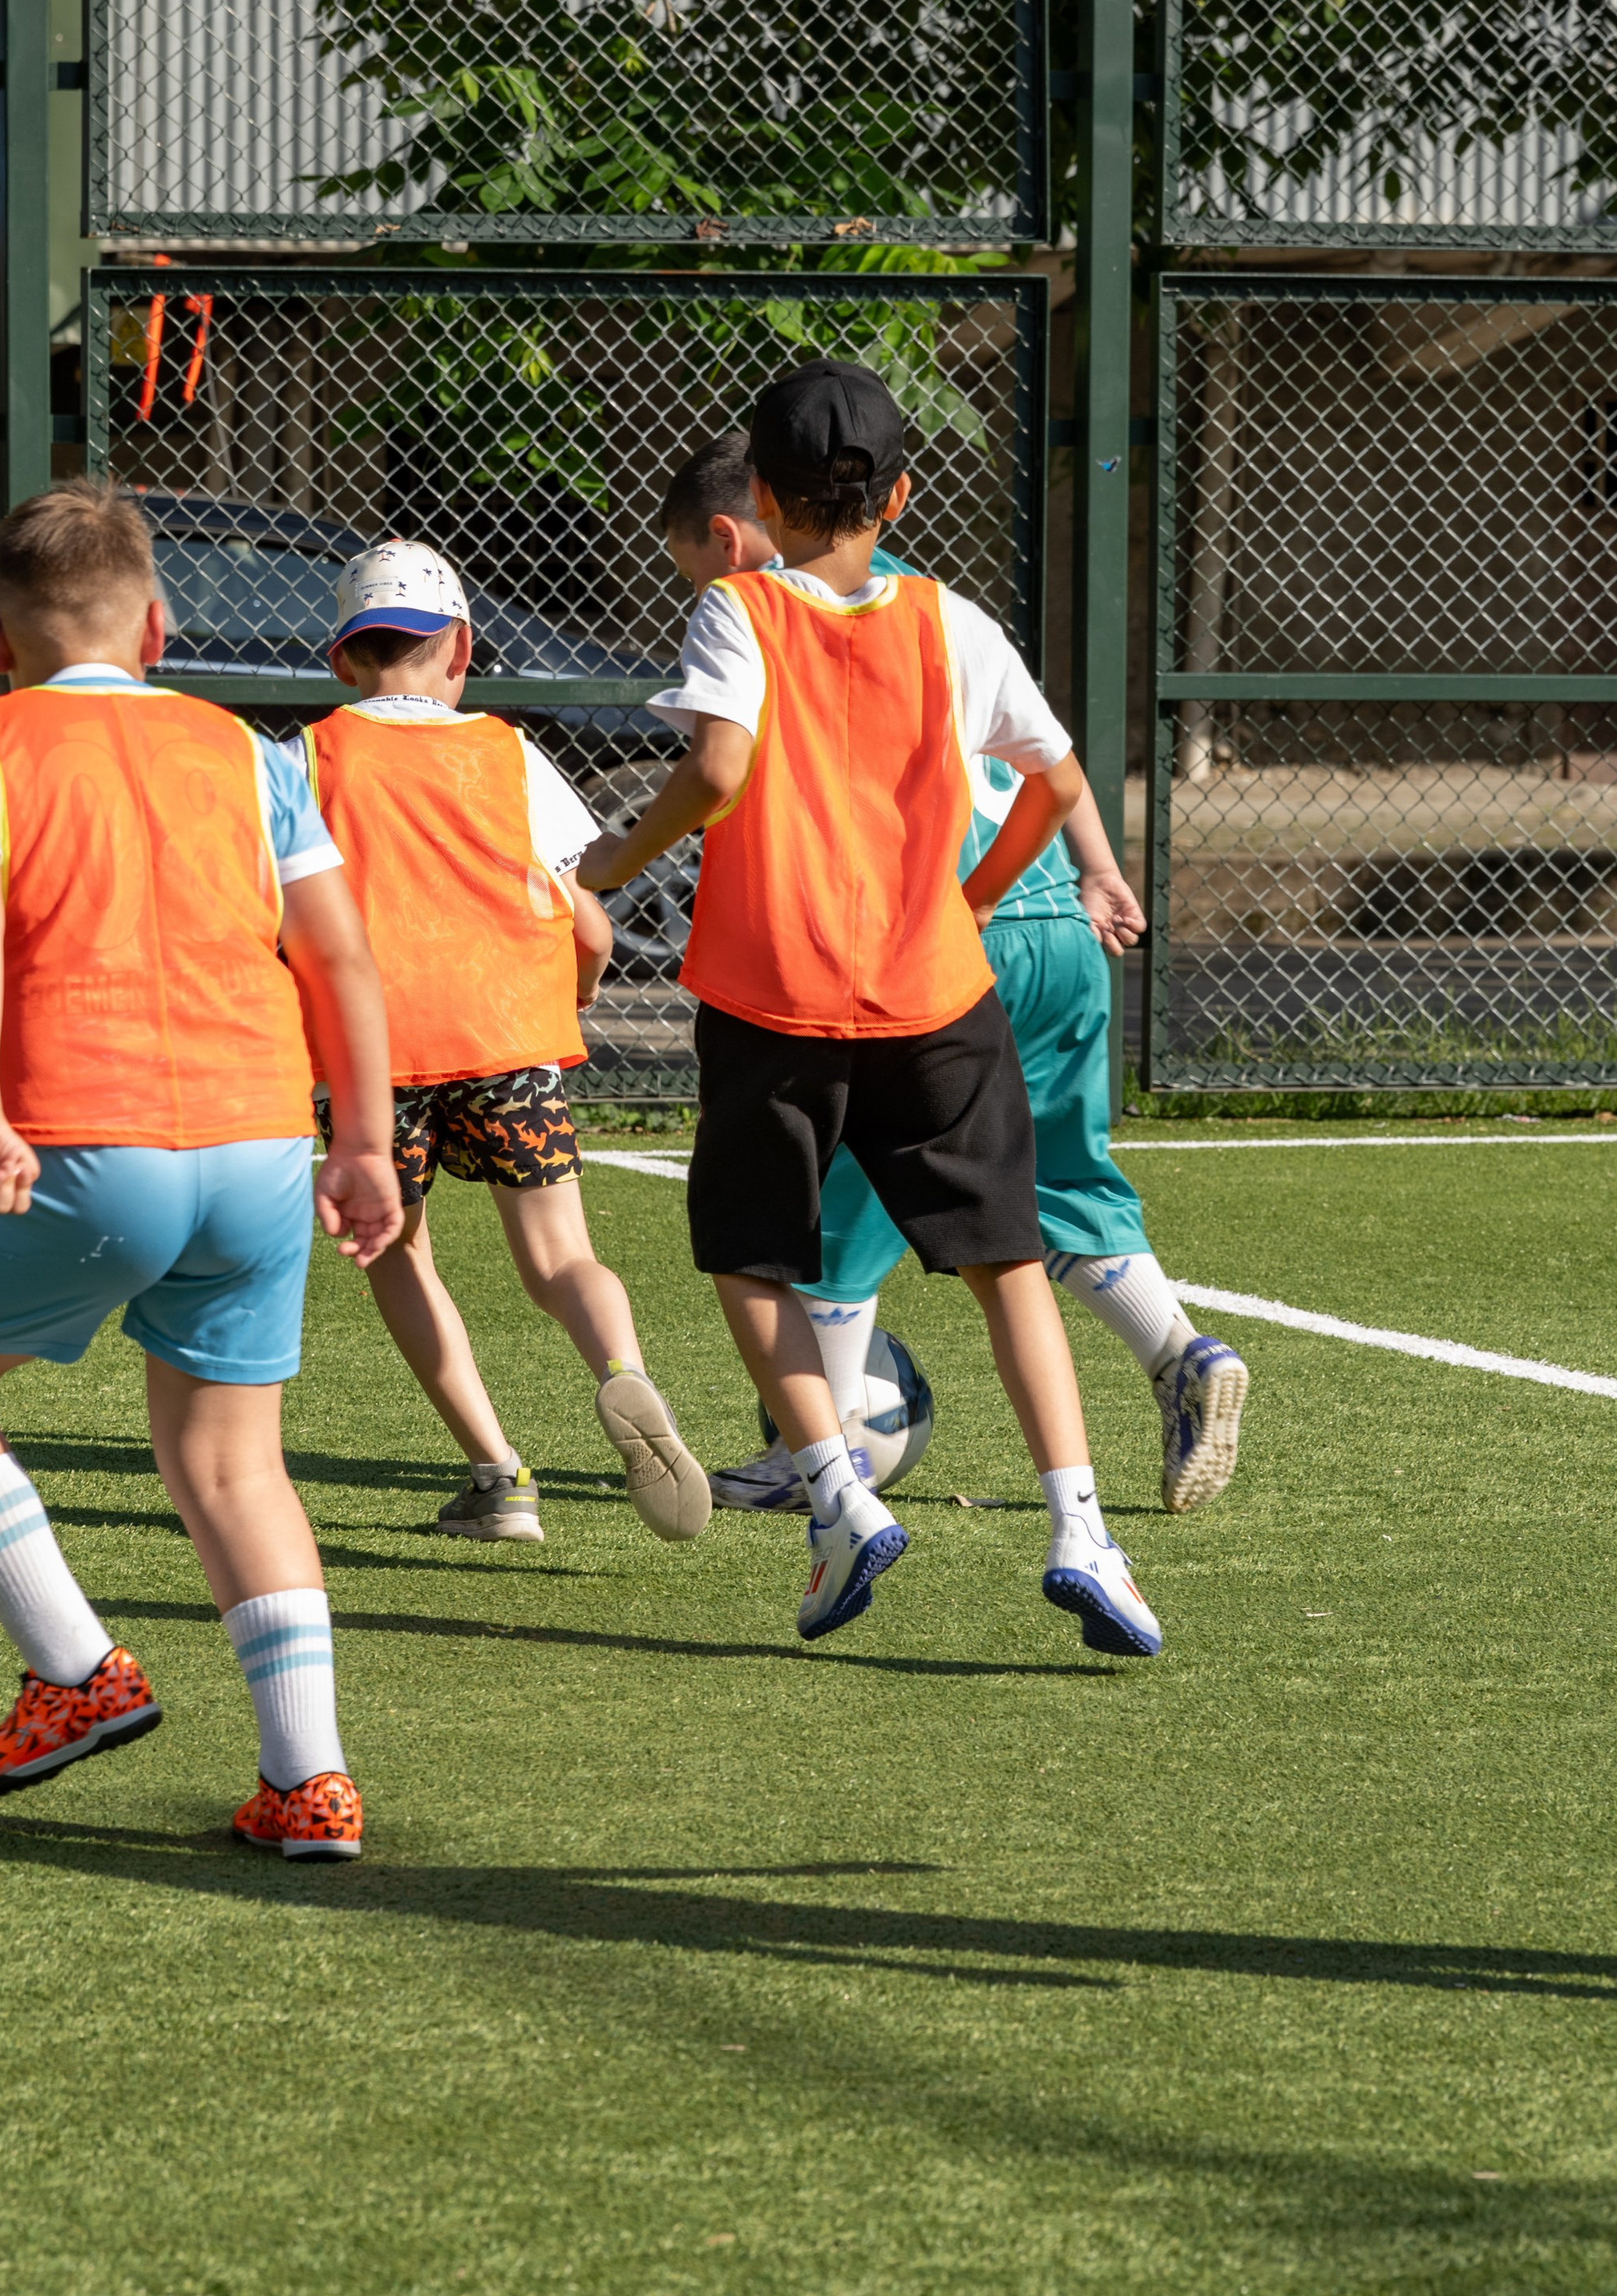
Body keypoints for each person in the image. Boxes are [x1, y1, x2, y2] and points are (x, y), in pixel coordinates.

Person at [581, 364, 1160, 1657]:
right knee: (1009, 1260)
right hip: (931, 988)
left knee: (747, 1252)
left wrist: (612, 863)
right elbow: (1055, 780)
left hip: (775, 994)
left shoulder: (742, 610)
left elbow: (719, 767)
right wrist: (968, 899)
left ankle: (837, 1497)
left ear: (764, 502)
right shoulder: (952, 620)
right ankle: (1084, 1532)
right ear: (900, 493)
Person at [0, 480, 402, 1858]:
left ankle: (73, 1670)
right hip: (264, 1147)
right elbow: (339, 951)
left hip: (88, 1142)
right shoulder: (248, 749)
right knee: (234, 1464)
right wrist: (364, 1142)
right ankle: (312, 1783)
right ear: (158, 626)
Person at [661, 432, 1248, 1519]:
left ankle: (824, 1458)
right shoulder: (940, 613)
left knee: (838, 1199)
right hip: (1055, 921)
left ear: (749, 525)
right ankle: (1178, 1353)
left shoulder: (775, 622)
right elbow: (1047, 765)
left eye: (696, 569)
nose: (700, 592)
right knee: (1054, 1184)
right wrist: (1101, 872)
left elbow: (749, 782)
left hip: (925, 941)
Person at [305, 541, 709, 1546]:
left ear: (341, 660)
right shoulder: (508, 751)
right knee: (563, 1257)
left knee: (398, 1254)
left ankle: (497, 1476)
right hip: (509, 1039)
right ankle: (624, 1374)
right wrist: (567, 995)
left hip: (369, 1057)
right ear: (463, 649)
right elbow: (590, 925)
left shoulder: (302, 759)